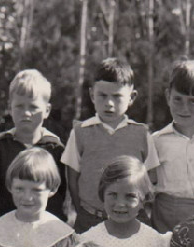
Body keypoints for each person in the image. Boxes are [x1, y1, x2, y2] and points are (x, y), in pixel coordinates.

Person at [62, 57, 161, 232]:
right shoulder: (80, 132)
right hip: (90, 218)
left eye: (117, 97)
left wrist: (135, 206)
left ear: (131, 97)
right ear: (92, 95)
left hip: (132, 218)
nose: (109, 103)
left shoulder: (141, 133)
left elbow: (151, 178)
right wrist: (82, 212)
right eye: (102, 96)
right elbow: (72, 179)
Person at [0, 69, 69, 220]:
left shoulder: (56, 149)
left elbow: (61, 193)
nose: (26, 113)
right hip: (7, 227)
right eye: (20, 106)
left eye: (33, 107)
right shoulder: (0, 148)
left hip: (46, 227)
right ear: (9, 108)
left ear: (46, 110)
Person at [150, 59, 194, 233]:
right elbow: (146, 184)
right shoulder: (156, 141)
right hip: (165, 218)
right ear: (168, 97)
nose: (184, 108)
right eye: (178, 99)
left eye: (193, 101)